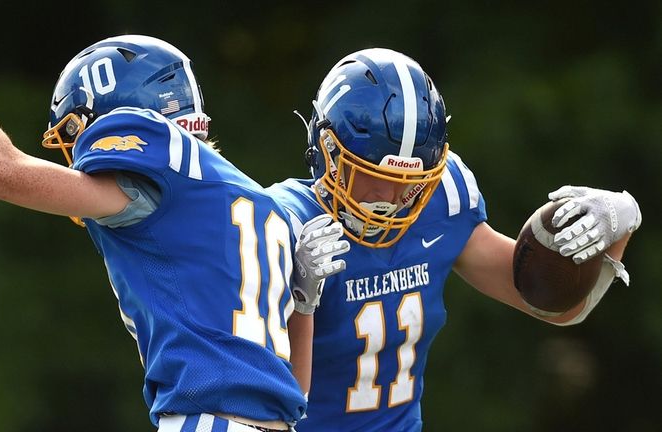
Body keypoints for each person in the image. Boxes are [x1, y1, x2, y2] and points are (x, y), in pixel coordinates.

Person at [0, 18, 349, 432]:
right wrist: (303, 305)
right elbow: (297, 390)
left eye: (78, 130)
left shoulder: (157, 166)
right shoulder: (259, 203)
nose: (76, 150)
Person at [267, 48, 642, 431]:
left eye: (411, 182)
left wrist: (620, 222)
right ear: (328, 151)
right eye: (376, 175)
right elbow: (264, 402)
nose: (394, 198)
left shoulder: (439, 202)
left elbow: (556, 307)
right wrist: (301, 303)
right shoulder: (284, 222)